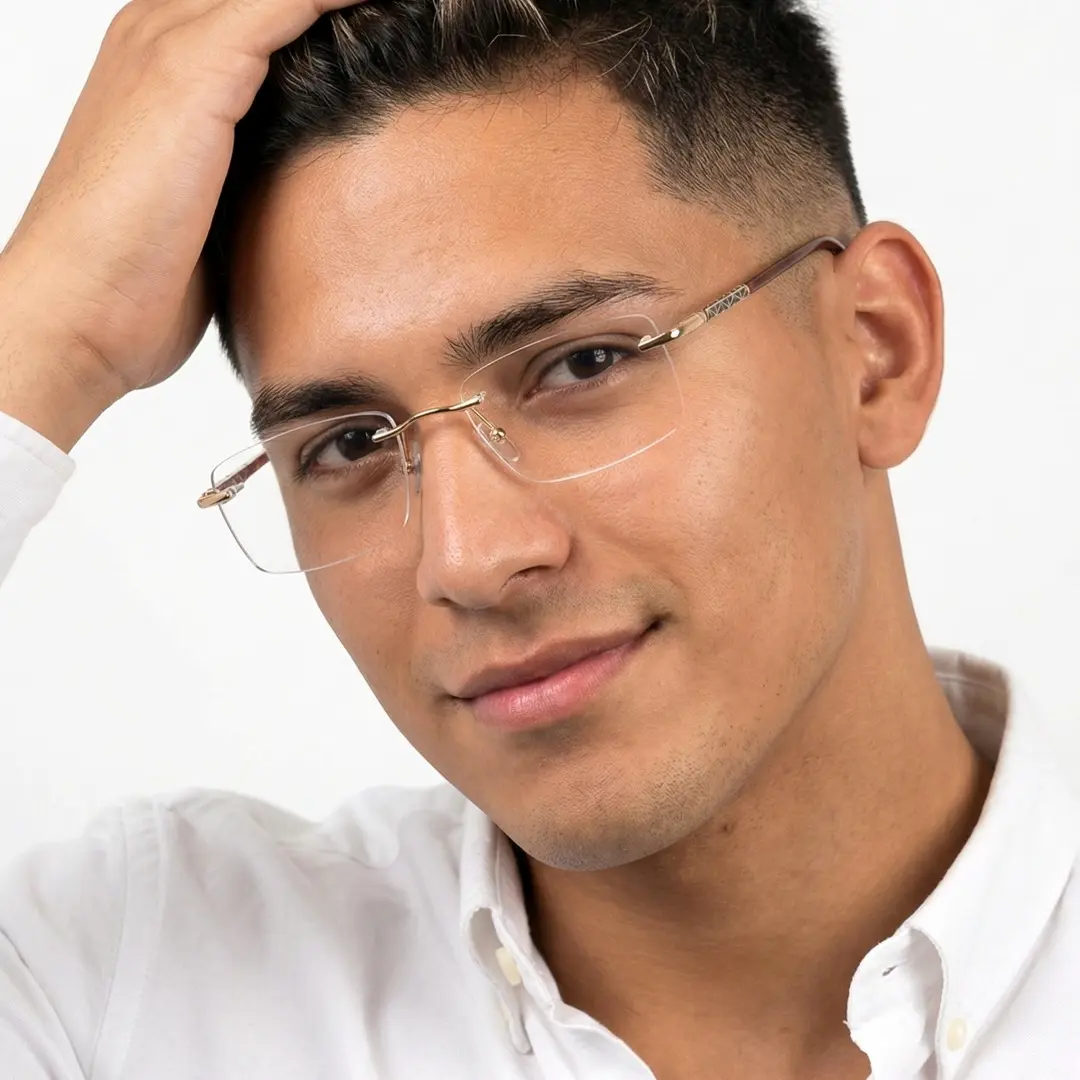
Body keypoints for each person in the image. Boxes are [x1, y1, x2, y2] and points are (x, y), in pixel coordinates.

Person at [0, 0, 1077, 1077]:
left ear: (877, 350)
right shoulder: (132, 992)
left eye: (581, 366)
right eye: (351, 442)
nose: (467, 557)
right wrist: (45, 329)